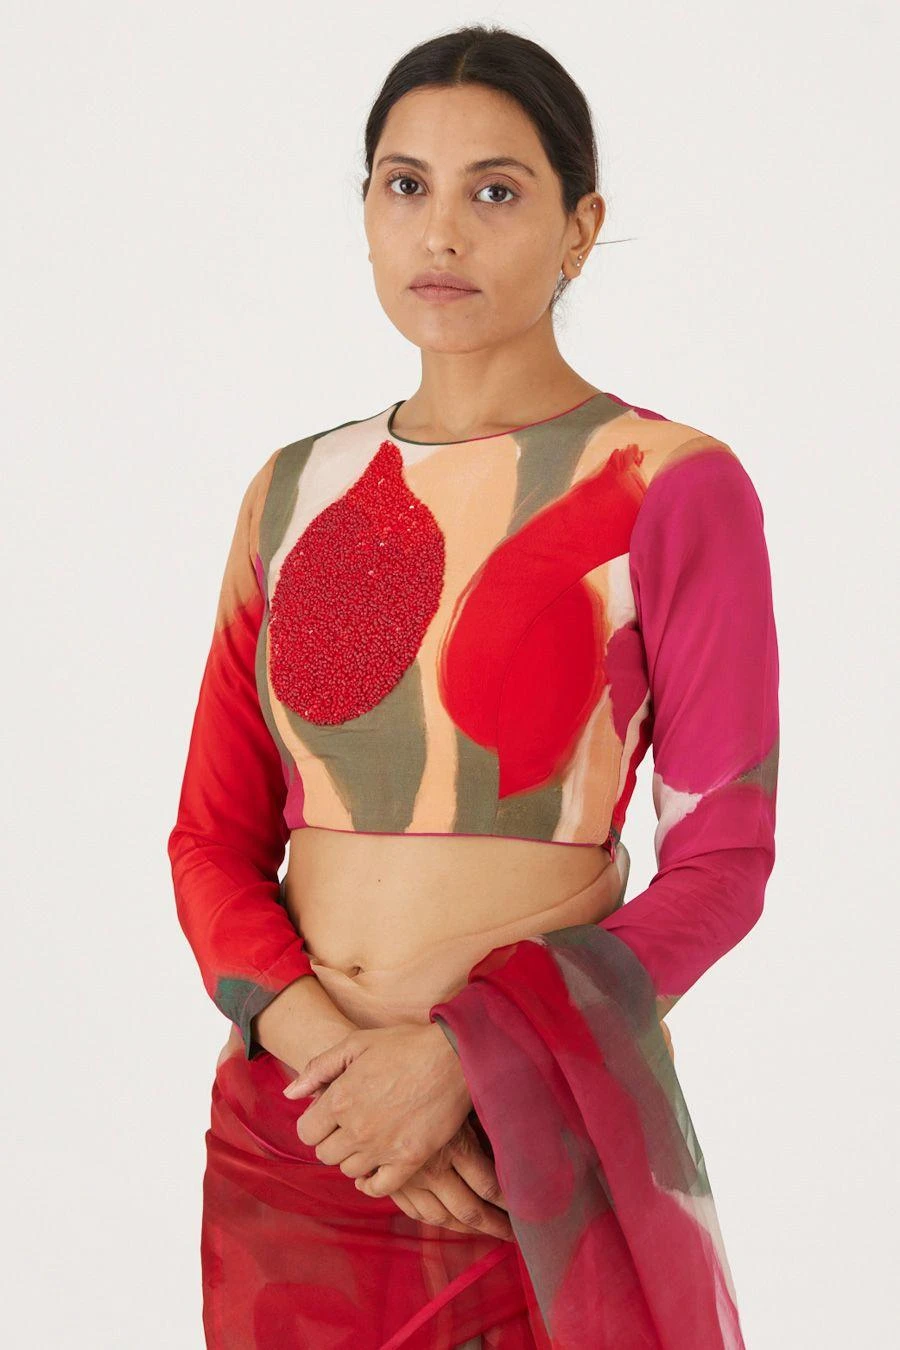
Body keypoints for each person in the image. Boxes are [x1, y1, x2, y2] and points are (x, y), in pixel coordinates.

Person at [167, 23, 779, 1350]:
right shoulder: (292, 491)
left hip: (525, 1153)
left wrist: (461, 1061)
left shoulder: (670, 485)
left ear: (579, 228)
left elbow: (726, 866)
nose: (441, 230)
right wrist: (344, 1076)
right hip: (298, 1135)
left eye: (495, 190)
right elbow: (210, 841)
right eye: (406, 185)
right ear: (367, 211)